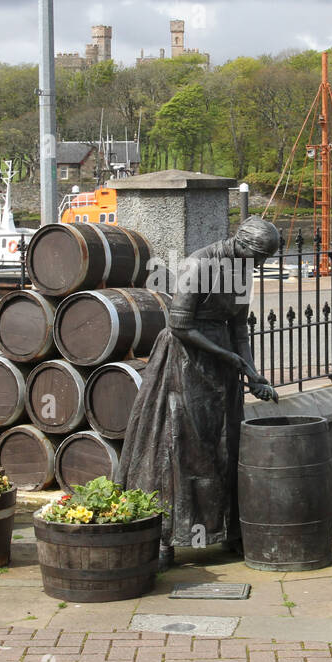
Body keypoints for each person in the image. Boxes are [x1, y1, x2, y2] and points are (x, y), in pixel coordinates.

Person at [118, 216, 281, 569]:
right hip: (185, 361)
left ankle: (227, 531)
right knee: (180, 446)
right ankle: (166, 537)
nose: (261, 264)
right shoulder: (199, 263)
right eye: (259, 256)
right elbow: (179, 324)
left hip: (222, 362)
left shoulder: (242, 269)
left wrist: (251, 373)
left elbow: (239, 328)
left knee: (225, 444)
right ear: (241, 244)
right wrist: (226, 356)